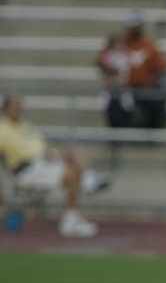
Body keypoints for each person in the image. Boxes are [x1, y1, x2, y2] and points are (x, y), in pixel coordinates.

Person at [0, 96, 109, 238]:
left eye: (19, 107)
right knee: (72, 174)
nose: (18, 110)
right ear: (6, 109)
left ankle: (87, 180)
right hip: (25, 171)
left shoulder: (26, 126)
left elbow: (43, 149)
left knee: (74, 153)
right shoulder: (2, 129)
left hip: (43, 162)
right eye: (14, 107)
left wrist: (55, 155)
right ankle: (84, 188)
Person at [120, 11, 166, 128]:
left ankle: (151, 134)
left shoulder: (149, 45)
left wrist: (150, 85)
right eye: (133, 26)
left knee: (157, 102)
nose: (135, 29)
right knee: (117, 103)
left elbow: (160, 68)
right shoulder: (121, 45)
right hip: (125, 89)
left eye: (137, 26)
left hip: (146, 88)